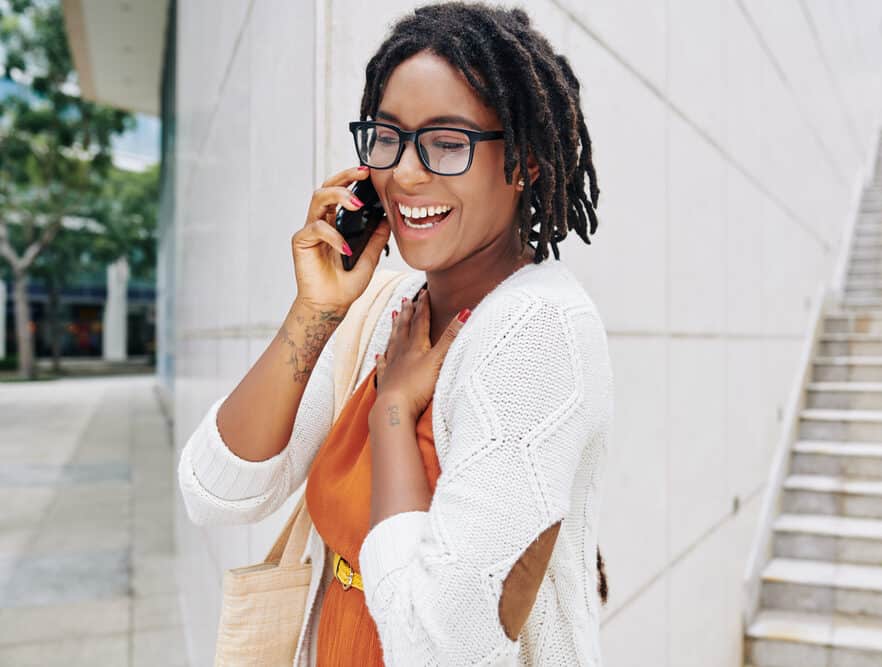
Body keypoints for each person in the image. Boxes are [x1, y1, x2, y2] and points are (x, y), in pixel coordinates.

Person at [177, 2, 613, 665]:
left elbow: (439, 646)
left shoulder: (537, 330)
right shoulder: (387, 307)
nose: (406, 172)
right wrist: (315, 311)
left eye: (446, 142)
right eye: (388, 137)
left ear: (523, 161)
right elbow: (217, 490)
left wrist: (391, 412)